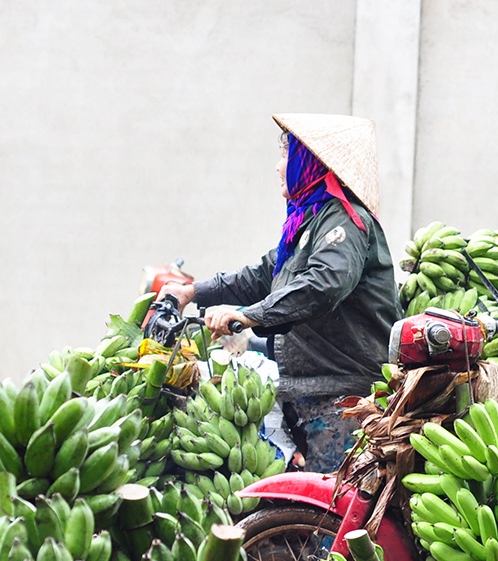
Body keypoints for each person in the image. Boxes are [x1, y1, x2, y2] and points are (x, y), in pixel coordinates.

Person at [159, 113, 402, 473]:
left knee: (329, 516)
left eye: (287, 156)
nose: (278, 167)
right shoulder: (308, 224)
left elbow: (326, 283)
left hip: (343, 399)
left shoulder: (345, 224)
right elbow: (260, 275)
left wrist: (250, 316)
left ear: (308, 165)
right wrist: (192, 291)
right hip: (311, 394)